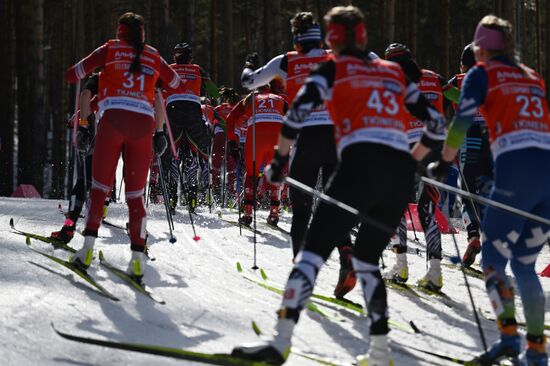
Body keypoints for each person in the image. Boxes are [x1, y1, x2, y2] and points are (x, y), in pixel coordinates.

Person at [232, 6, 446, 365]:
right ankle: (379, 352)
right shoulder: (392, 72)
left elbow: (297, 112)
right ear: (363, 36)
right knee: (367, 260)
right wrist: (413, 160)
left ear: (332, 38)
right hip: (395, 175)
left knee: (312, 254)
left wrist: (279, 160)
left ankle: (279, 342)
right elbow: (437, 122)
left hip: (357, 166)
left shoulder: (332, 68)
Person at [429, 15, 548, 366]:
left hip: (517, 175)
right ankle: (537, 352)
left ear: (481, 48)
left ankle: (510, 338)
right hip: (548, 178)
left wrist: (444, 161)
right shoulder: (532, 76)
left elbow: (462, 119)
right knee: (525, 264)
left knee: (494, 262)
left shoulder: (480, 74)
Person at [241, 11, 356, 297]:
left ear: (296, 37)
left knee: (301, 204)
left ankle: (301, 272)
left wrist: (248, 66)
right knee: (333, 202)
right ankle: (347, 256)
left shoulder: (287, 60)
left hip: (307, 137)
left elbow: (248, 83)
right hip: (338, 138)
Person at [64, 12, 182, 282]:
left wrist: (83, 125)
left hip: (113, 121)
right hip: (144, 126)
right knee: (135, 195)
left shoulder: (110, 49)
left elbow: (73, 75)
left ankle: (86, 252)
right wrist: (160, 128)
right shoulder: (153, 55)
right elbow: (175, 84)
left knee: (99, 189)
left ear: (120, 31)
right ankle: (138, 260)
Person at [383, 43, 447, 291]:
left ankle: (401, 266)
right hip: (437, 147)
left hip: (406, 147)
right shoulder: (435, 78)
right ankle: (435, 272)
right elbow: (459, 99)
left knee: (395, 207)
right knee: (428, 208)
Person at [447, 43, 494, 268]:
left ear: (465, 64)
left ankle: (473, 235)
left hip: (470, 138)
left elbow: (437, 103)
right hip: (494, 141)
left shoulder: (458, 80)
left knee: (465, 191)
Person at [161, 42, 215, 213]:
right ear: (190, 57)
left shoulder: (169, 68)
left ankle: (171, 198)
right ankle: (192, 198)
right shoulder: (198, 69)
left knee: (172, 153)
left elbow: (156, 87)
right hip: (193, 111)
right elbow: (214, 93)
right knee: (193, 151)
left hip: (173, 111)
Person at [225, 83, 286, 226]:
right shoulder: (279, 99)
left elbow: (230, 119)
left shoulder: (249, 98)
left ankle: (247, 213)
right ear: (268, 89)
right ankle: (274, 213)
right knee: (275, 173)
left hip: (255, 138)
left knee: (252, 174)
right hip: (277, 138)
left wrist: (233, 141)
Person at [212, 87, 240, 206]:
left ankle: (214, 187)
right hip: (234, 135)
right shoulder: (237, 108)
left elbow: (213, 122)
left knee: (216, 161)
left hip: (220, 134)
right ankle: (231, 193)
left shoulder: (218, 108)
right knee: (232, 163)